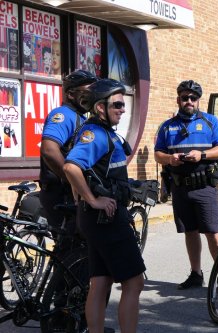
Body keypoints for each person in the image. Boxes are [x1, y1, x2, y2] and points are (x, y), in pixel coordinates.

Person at [63, 79, 145, 333]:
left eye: (124, 104)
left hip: (97, 219)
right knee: (134, 283)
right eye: (117, 104)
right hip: (107, 219)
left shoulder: (103, 132)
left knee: (101, 281)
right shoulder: (96, 134)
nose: (122, 109)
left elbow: (90, 171)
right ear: (100, 108)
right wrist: (92, 198)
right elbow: (71, 167)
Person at [154, 80, 218, 289]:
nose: (189, 101)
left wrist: (202, 155)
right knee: (190, 232)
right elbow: (158, 154)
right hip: (180, 187)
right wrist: (170, 159)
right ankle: (196, 274)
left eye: (193, 98)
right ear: (178, 99)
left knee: (213, 232)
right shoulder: (168, 126)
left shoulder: (210, 121)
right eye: (185, 97)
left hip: (204, 186)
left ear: (198, 101)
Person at [40, 70, 98, 237]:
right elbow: (49, 150)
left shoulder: (80, 117)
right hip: (60, 193)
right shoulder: (63, 115)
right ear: (71, 94)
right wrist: (73, 180)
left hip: (70, 193)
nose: (92, 96)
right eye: (88, 91)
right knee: (69, 253)